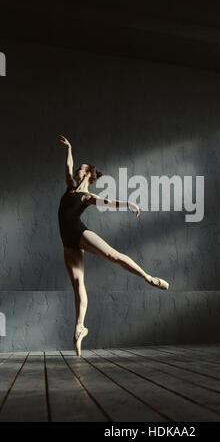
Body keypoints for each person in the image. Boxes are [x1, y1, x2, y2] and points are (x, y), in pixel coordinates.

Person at [58, 135, 169, 356]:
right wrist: (69, 148)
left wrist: (128, 203)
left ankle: (148, 277)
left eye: (81, 168)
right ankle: (80, 327)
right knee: (79, 284)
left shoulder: (86, 196)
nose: (77, 170)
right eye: (78, 168)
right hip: (67, 242)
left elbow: (106, 203)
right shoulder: (70, 187)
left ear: (88, 174)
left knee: (113, 255)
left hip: (79, 233)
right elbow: (68, 164)